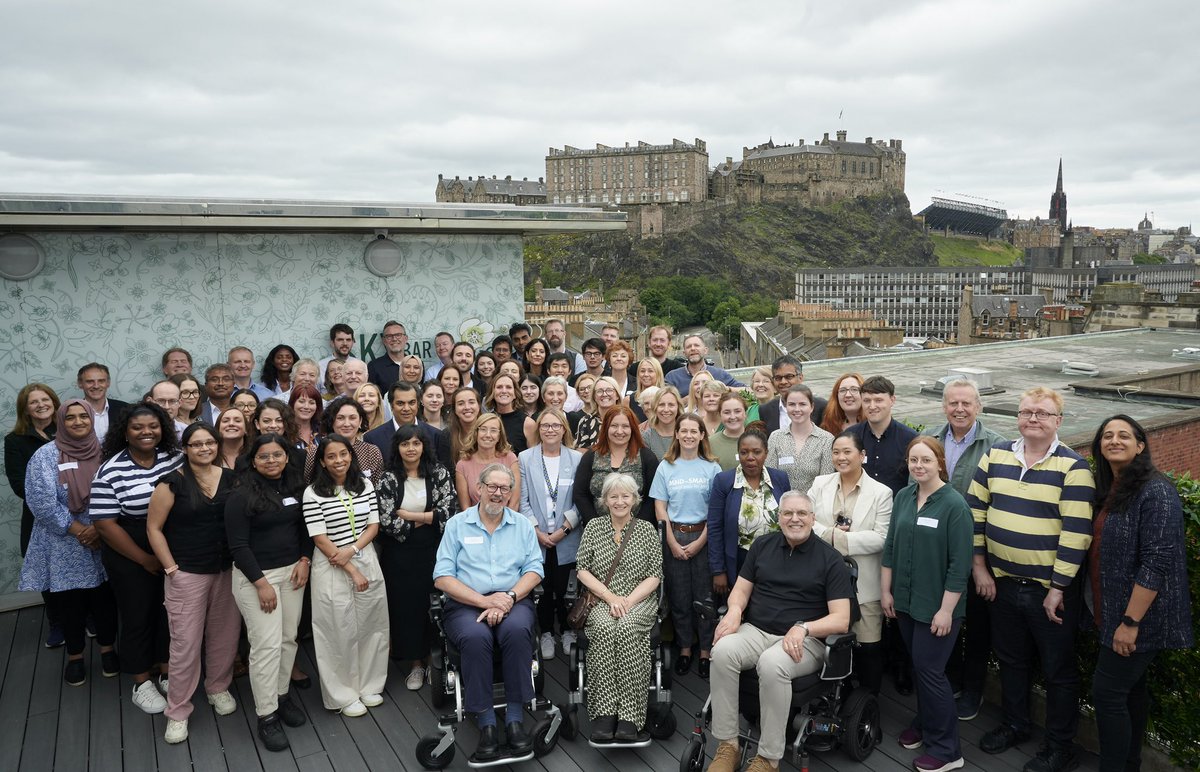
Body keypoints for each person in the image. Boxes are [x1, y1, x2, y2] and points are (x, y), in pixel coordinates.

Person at [967, 386, 1095, 772]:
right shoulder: (996, 455)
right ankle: (1016, 725)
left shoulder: (1074, 468)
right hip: (1002, 584)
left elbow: (1076, 535)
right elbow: (975, 512)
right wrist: (979, 566)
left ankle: (1060, 746)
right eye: (1026, 412)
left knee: (1058, 672)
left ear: (1058, 420)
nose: (1033, 419)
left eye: (1042, 413)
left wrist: (1058, 589)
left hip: (1049, 594)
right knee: (1011, 661)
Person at [706, 491, 853, 772]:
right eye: (787, 513)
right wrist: (735, 610)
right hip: (758, 630)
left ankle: (768, 759)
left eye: (801, 514)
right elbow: (741, 590)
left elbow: (841, 620)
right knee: (722, 650)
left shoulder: (831, 559)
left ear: (812, 518)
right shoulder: (762, 546)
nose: (794, 519)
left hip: (805, 641)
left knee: (772, 664)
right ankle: (728, 746)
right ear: (779, 518)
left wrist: (804, 628)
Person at [1088, 415, 1193, 772]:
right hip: (1114, 613)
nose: (1114, 440)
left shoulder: (1156, 490)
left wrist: (1130, 622)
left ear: (1141, 445)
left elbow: (1157, 563)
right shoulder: (1114, 488)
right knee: (1129, 692)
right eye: (1107, 435)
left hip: (1139, 619)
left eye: (1123, 435)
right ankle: (1128, 764)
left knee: (1107, 695)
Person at [432, 464, 544, 762]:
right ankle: (487, 725)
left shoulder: (521, 525)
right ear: (478, 489)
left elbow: (535, 569)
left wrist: (507, 598)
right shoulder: (457, 525)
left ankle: (516, 719)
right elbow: (442, 576)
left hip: (513, 599)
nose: (497, 493)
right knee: (475, 636)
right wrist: (485, 603)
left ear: (510, 493)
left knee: (518, 631)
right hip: (467, 603)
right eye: (491, 487)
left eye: (504, 488)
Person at [881, 437, 973, 772]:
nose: (919, 466)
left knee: (931, 672)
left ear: (940, 463)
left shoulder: (954, 506)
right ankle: (925, 722)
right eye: (913, 461)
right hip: (905, 601)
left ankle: (948, 749)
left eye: (926, 460)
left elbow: (960, 565)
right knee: (922, 668)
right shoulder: (904, 497)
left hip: (938, 607)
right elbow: (890, 546)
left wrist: (947, 610)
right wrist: (886, 592)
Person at [146, 423, 241, 743]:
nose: (204, 448)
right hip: (186, 574)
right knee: (185, 645)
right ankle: (178, 711)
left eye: (209, 443)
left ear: (217, 445)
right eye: (196, 444)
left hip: (227, 571)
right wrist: (171, 568)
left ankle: (218, 688)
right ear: (185, 449)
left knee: (225, 636)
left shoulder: (232, 479)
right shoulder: (172, 483)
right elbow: (154, 529)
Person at [919, 376, 1007, 720]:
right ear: (944, 406)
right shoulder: (930, 439)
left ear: (978, 406)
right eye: (953, 403)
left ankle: (972, 691)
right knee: (943, 618)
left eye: (966, 403)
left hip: (976, 553)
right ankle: (949, 682)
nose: (959, 409)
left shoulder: (997, 446)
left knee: (978, 625)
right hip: (935, 551)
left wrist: (978, 560)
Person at [90, 402, 182, 714]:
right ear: (125, 432)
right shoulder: (111, 469)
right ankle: (141, 681)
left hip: (168, 544)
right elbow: (104, 524)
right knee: (137, 615)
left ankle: (167, 670)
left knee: (167, 611)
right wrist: (144, 559)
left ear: (163, 429)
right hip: (130, 548)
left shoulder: (173, 457)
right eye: (138, 427)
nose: (146, 432)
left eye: (153, 426)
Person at [18, 399, 119, 684]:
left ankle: (108, 649)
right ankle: (75, 656)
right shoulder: (45, 455)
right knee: (70, 604)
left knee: (105, 600)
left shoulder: (106, 451)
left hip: (106, 536)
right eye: (71, 417)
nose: (77, 422)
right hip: (63, 543)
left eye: (83, 417)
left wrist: (99, 529)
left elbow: (118, 488)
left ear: (91, 419)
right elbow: (41, 501)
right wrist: (79, 530)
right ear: (62, 421)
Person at [225, 434, 312, 752]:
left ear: (287, 457)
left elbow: (305, 528)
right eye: (264, 456)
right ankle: (266, 715)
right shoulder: (240, 495)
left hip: (293, 572)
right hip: (256, 578)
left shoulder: (294, 488)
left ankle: (281, 695)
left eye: (277, 455)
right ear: (253, 460)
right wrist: (261, 583)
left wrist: (305, 559)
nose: (272, 461)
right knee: (265, 647)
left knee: (289, 638)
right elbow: (237, 545)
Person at [303, 435, 389, 717]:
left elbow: (374, 526)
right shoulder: (313, 492)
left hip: (365, 559)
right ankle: (343, 693)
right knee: (335, 629)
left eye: (343, 454)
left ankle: (369, 684)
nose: (339, 460)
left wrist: (352, 551)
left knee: (372, 624)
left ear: (351, 456)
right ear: (323, 462)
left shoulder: (363, 484)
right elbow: (319, 537)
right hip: (331, 565)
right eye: (331, 456)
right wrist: (349, 565)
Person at [575, 473, 663, 742]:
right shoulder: (593, 528)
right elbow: (582, 570)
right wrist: (611, 597)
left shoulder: (646, 530)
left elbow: (655, 575)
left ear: (635, 500)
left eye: (626, 496)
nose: (620, 501)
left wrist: (627, 601)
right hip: (602, 598)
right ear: (605, 500)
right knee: (602, 629)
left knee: (625, 628)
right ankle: (605, 713)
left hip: (638, 600)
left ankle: (629, 715)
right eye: (614, 496)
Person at [808, 430, 894, 694]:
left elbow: (880, 538)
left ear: (862, 455)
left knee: (868, 647)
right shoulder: (820, 483)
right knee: (829, 643)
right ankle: (834, 697)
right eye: (836, 452)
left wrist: (833, 538)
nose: (841, 457)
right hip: (821, 579)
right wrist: (832, 534)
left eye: (847, 452)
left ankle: (868, 703)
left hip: (864, 584)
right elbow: (805, 522)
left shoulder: (882, 493)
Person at [376, 424, 457, 691]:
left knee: (436, 605)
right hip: (400, 555)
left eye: (416, 443)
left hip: (436, 551)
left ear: (424, 446)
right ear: (397, 448)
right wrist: (429, 518)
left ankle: (439, 661)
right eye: (405, 444)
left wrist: (411, 516)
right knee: (406, 608)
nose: (411, 449)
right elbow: (387, 521)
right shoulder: (387, 478)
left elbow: (448, 511)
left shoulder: (439, 472)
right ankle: (416, 665)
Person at [651, 414, 722, 677]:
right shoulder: (666, 467)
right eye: (684, 431)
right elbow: (660, 506)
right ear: (677, 435)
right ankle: (684, 649)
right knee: (679, 596)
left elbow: (715, 511)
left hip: (704, 535)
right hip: (674, 535)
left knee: (704, 597)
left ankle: (705, 650)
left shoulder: (711, 467)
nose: (689, 436)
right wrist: (670, 540)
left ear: (703, 435)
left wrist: (701, 541)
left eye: (695, 431)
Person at [518, 408, 583, 660]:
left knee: (565, 584)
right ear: (538, 429)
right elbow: (522, 500)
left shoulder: (576, 459)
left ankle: (567, 630)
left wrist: (564, 529)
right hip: (537, 537)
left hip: (567, 535)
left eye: (556, 425)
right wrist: (535, 529)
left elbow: (579, 500)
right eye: (545, 425)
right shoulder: (525, 458)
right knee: (541, 586)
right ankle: (545, 632)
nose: (550, 430)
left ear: (564, 429)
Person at [707, 426, 791, 594]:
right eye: (744, 452)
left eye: (756, 452)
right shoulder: (724, 481)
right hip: (739, 560)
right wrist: (718, 570)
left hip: (777, 559)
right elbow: (715, 527)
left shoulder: (780, 479)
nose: (750, 458)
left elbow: (789, 518)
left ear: (766, 453)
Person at [574, 406, 659, 525]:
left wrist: (637, 527)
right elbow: (580, 494)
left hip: (638, 532)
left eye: (625, 426)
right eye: (614, 426)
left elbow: (652, 497)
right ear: (606, 428)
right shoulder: (591, 456)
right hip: (598, 532)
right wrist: (596, 525)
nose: (619, 431)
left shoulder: (647, 457)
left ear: (633, 429)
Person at [5, 383, 60, 560]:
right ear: (26, 410)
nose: (41, 404)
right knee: (47, 576)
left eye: (45, 399)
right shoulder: (15, 440)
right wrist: (52, 504)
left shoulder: (70, 431)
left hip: (76, 511)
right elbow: (19, 484)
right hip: (39, 516)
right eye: (33, 402)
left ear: (54, 403)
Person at [848, 375, 917, 496]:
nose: (872, 406)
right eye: (867, 401)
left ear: (892, 400)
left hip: (895, 511)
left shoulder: (911, 440)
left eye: (878, 400)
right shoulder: (851, 437)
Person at [767, 385, 835, 495]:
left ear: (812, 407)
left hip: (813, 507)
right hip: (783, 506)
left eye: (802, 404)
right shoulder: (775, 437)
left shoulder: (826, 440)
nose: (797, 409)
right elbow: (770, 479)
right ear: (786, 406)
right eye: (792, 404)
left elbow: (825, 483)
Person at [304, 396, 385, 482]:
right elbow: (308, 484)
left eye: (352, 418)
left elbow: (378, 488)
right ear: (331, 421)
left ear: (360, 421)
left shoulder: (371, 452)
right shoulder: (316, 452)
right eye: (340, 418)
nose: (347, 424)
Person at [455, 413, 521, 510]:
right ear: (476, 433)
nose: (488, 435)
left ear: (499, 436)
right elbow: (465, 507)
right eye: (483, 429)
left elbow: (514, 501)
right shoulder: (463, 465)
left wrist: (505, 523)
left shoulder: (510, 459)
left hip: (507, 520)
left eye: (493, 431)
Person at [756, 356, 827, 434]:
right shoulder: (766, 410)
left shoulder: (821, 406)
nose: (783, 382)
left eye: (789, 377)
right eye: (778, 378)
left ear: (800, 378)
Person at [663, 334, 743, 395]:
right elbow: (664, 402)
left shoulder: (720, 374)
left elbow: (747, 391)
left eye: (697, 345)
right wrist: (692, 398)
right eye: (689, 347)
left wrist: (726, 389)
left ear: (705, 350)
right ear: (684, 353)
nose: (693, 349)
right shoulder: (672, 377)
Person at [77, 363, 130, 442]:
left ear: (108, 383)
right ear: (80, 384)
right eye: (90, 381)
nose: (96, 386)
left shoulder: (125, 409)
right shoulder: (72, 413)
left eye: (101, 381)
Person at [575, 375, 622, 450]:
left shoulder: (626, 419)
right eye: (599, 391)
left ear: (617, 395)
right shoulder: (586, 421)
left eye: (609, 390)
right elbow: (581, 451)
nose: (604, 394)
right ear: (594, 397)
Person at [641, 385, 682, 460]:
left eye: (671, 405)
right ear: (655, 407)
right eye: (661, 405)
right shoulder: (646, 437)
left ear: (678, 407)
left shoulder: (686, 434)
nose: (666, 409)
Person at [709, 392, 748, 471]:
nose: (732, 417)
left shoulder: (758, 439)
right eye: (727, 412)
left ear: (745, 413)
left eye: (737, 411)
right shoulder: (710, 443)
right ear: (720, 415)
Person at [367, 320, 410, 389]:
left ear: (406, 338)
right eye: (389, 336)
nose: (394, 339)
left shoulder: (416, 363)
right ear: (384, 341)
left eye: (398, 335)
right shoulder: (374, 367)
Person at [628, 356, 664, 424]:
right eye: (642, 371)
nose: (646, 374)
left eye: (650, 371)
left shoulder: (666, 398)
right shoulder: (629, 400)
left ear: (658, 374)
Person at [288, 384, 324, 452]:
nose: (306, 407)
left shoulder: (323, 431)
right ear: (293, 404)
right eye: (301, 401)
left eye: (311, 403)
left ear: (317, 407)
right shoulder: (285, 431)